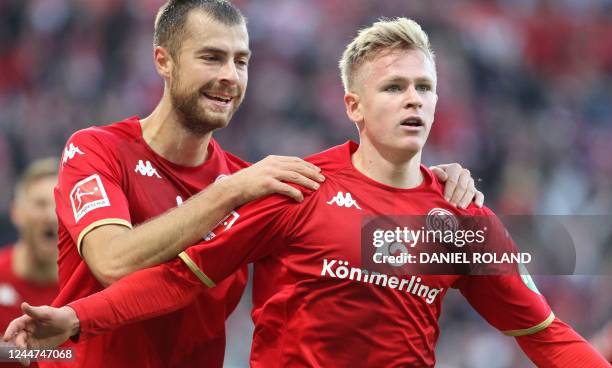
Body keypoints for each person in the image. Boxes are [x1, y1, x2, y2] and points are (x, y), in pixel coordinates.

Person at [5, 16, 608, 367]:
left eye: (424, 87)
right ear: (353, 106)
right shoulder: (297, 188)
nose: (414, 100)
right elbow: (183, 275)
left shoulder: (459, 219)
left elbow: (544, 334)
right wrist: (78, 319)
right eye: (394, 87)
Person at [0, 158, 59, 368]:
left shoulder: (89, 287)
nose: (52, 215)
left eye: (59, 204)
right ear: (17, 212)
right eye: (40, 204)